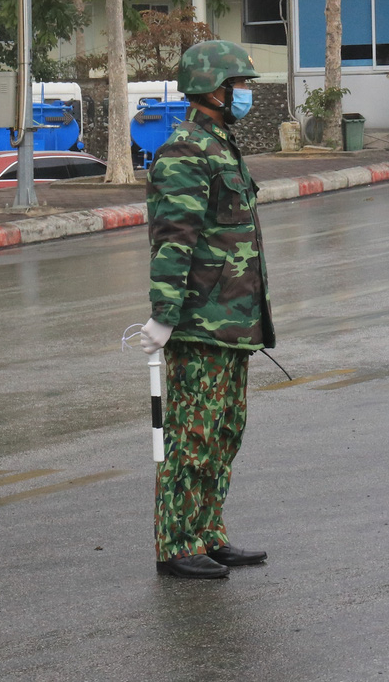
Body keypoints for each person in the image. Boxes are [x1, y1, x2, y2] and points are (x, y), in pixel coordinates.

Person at [130, 39, 273, 580]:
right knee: (191, 436)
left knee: (224, 431)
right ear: (214, 89)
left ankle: (208, 533)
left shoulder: (219, 146)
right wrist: (164, 316)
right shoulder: (186, 151)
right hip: (199, 324)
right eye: (239, 86)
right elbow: (175, 241)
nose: (245, 95)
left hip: (232, 323)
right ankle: (176, 543)